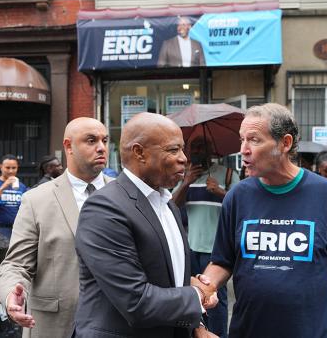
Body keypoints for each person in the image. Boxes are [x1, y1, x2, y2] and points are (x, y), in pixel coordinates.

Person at [200, 104, 327, 338]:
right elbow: (222, 261)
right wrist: (207, 286)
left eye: (254, 140)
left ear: (285, 143)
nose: (243, 150)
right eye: (241, 140)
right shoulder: (237, 196)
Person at [73, 113, 218, 337]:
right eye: (173, 150)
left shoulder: (167, 203)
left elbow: (162, 274)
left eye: (182, 149)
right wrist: (198, 294)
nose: (184, 159)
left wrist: (197, 324)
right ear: (139, 152)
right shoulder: (104, 208)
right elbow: (136, 300)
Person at [0, 118, 113, 338]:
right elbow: (15, 263)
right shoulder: (36, 199)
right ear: (68, 146)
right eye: (91, 140)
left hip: (117, 324)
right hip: (56, 326)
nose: (101, 147)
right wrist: (12, 293)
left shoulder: (124, 194)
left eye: (104, 140)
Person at [171, 136, 234, 336]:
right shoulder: (184, 176)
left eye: (202, 147)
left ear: (211, 150)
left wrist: (220, 191)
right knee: (193, 297)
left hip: (216, 251)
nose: (197, 150)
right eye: (194, 147)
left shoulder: (228, 174)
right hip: (190, 249)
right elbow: (172, 206)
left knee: (216, 300)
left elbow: (241, 206)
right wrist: (187, 182)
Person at [0, 155, 29, 240]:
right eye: (7, 168)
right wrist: (3, 186)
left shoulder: (22, 186)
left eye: (14, 168)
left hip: (18, 229)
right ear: (1, 167)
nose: (11, 171)